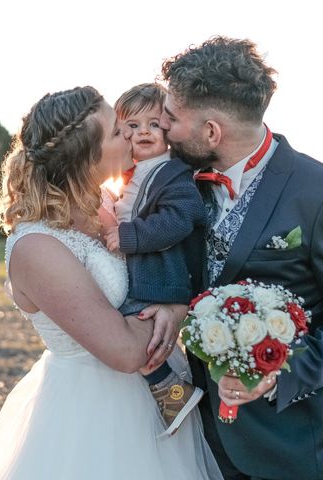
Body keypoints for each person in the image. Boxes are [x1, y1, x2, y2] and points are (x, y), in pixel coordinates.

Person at [0, 86, 222, 479]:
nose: (128, 132)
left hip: (163, 399)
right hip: (93, 416)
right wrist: (176, 304)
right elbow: (124, 352)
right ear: (85, 158)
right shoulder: (37, 245)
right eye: (115, 130)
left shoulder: (109, 206)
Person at [158, 36, 323, 480]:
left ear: (211, 131)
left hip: (291, 444)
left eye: (172, 117)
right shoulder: (180, 184)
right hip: (202, 439)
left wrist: (279, 372)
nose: (163, 127)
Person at [99, 83, 206, 435]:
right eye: (131, 126)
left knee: (137, 335)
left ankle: (174, 393)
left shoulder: (172, 173)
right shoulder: (130, 176)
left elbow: (180, 218)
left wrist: (129, 236)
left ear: (168, 131)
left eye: (153, 124)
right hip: (141, 275)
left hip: (161, 278)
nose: (143, 131)